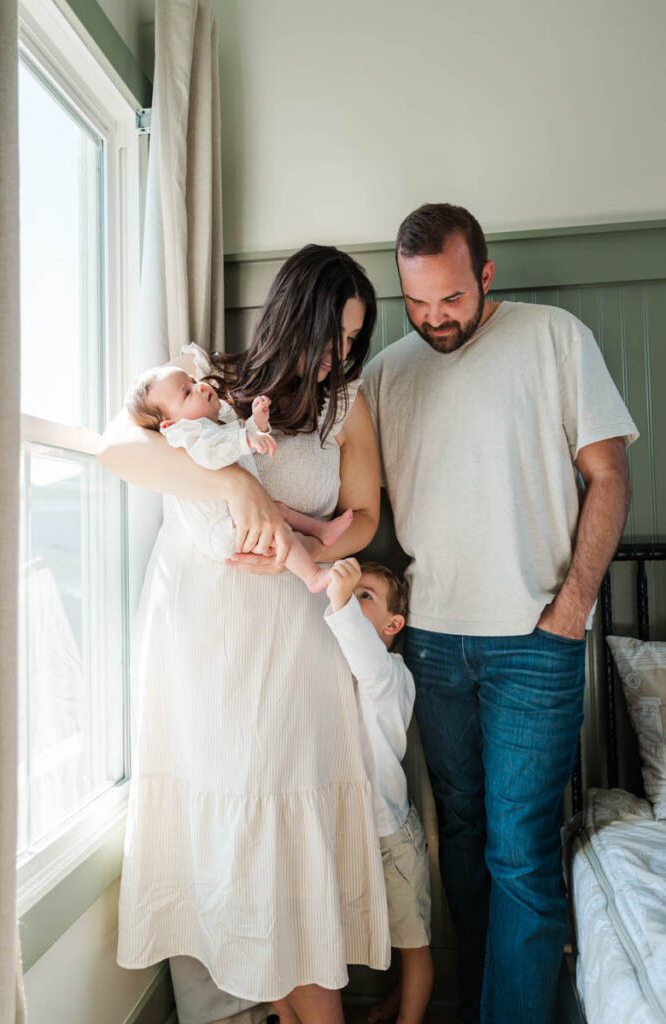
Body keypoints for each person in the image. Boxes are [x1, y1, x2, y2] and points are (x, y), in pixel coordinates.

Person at [362, 203, 639, 1024]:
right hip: (433, 648)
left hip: (533, 642)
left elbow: (609, 476)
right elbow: (352, 507)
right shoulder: (385, 372)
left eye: (450, 298)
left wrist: (572, 609)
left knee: (518, 853)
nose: (434, 319)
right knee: (462, 841)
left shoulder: (552, 337)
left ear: (484, 275)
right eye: (416, 303)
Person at [98, 244, 390, 1024]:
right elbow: (117, 448)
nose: (338, 359)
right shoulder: (209, 383)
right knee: (234, 845)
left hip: (293, 637)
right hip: (206, 640)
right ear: (293, 316)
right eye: (331, 337)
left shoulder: (346, 403)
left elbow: (361, 517)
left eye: (353, 342)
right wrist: (232, 483)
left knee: (287, 853)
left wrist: (299, 552)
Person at [125, 365, 354, 591]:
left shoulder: (211, 426)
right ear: (170, 424)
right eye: (187, 393)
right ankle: (312, 578)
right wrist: (246, 438)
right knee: (279, 530)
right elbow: (211, 454)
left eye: (194, 381)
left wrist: (257, 424)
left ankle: (320, 531)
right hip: (221, 528)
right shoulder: (186, 435)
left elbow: (236, 442)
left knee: (278, 511)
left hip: (232, 517)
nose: (201, 387)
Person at [325, 558, 433, 1024]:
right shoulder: (335, 670)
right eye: (351, 595)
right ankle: (390, 1000)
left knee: (412, 942)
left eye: (363, 596)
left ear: (393, 625)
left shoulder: (391, 674)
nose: (351, 600)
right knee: (354, 928)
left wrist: (337, 600)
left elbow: (365, 659)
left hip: (391, 836)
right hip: (345, 829)